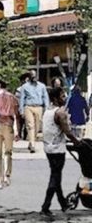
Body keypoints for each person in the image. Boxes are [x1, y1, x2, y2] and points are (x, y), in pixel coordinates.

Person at [41, 86, 82, 217]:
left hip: (48, 147)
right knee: (55, 177)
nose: (65, 98)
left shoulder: (47, 111)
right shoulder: (60, 113)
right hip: (57, 149)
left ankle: (63, 203)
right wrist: (77, 142)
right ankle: (45, 206)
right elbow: (67, 131)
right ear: (55, 98)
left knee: (56, 175)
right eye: (62, 96)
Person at [20, 71, 50, 153]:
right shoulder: (24, 87)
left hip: (39, 107)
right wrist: (21, 110)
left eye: (35, 76)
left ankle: (31, 141)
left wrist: (47, 108)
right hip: (28, 107)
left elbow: (45, 97)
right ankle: (33, 145)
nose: (34, 77)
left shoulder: (42, 86)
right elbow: (22, 99)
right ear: (29, 77)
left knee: (37, 126)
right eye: (32, 76)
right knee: (30, 125)